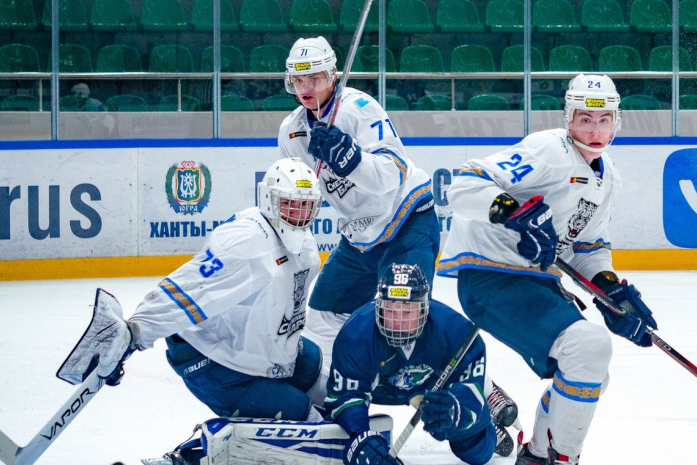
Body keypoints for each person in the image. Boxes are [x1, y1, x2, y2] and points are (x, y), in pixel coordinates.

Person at [436, 74, 659, 465]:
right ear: (568, 118)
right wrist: (512, 213)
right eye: (584, 119)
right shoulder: (549, 149)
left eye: (603, 120)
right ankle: (557, 458)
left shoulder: (607, 180)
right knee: (587, 349)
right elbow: (465, 183)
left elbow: (586, 248)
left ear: (616, 121)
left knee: (591, 372)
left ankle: (538, 455)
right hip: (492, 275)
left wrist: (611, 292)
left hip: (536, 281)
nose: (594, 129)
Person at [57, 157, 327, 464]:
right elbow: (189, 289)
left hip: (259, 351)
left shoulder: (302, 243)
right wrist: (135, 332)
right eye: (290, 205)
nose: (298, 215)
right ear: (268, 199)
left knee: (327, 382)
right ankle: (185, 460)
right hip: (214, 360)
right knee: (302, 425)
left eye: (306, 206)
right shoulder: (247, 242)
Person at [277, 36, 440, 373]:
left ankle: (482, 391)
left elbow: (391, 174)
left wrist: (350, 158)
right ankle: (325, 391)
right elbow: (300, 191)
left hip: (406, 220)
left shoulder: (359, 108)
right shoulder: (292, 131)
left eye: (315, 78)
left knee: (406, 319)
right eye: (298, 79)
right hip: (359, 236)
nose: (306, 87)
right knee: (322, 314)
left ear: (333, 76)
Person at [326, 264, 503, 465]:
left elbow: (470, 378)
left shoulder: (454, 329)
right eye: (391, 310)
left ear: (423, 310)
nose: (398, 322)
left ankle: (487, 412)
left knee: (476, 452)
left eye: (407, 312)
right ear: (379, 306)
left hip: (436, 388)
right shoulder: (356, 334)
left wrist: (458, 410)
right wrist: (362, 438)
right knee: (349, 434)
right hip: (382, 389)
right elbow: (346, 396)